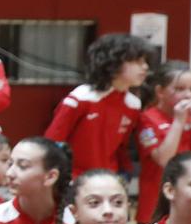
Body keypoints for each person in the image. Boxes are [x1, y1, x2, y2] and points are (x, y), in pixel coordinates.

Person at [45, 33, 152, 175]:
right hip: (75, 180)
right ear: (114, 63)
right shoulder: (80, 98)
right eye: (137, 61)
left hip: (109, 180)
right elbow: (51, 144)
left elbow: (121, 149)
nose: (145, 67)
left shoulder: (133, 105)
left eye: (145, 61)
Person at [136, 61, 191, 219]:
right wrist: (178, 122)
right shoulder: (148, 118)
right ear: (160, 92)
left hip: (189, 200)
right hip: (155, 202)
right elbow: (164, 159)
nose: (188, 95)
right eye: (179, 89)